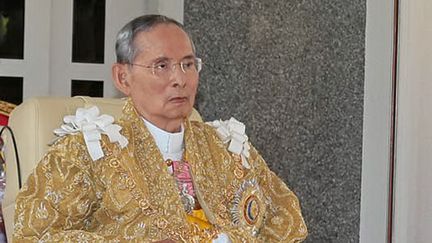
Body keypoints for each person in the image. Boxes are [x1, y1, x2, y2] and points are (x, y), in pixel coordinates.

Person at [13, 15, 307, 242]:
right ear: (123, 77)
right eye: (161, 66)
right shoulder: (87, 152)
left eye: (188, 64)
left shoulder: (228, 148)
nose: (179, 79)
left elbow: (288, 222)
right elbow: (35, 235)